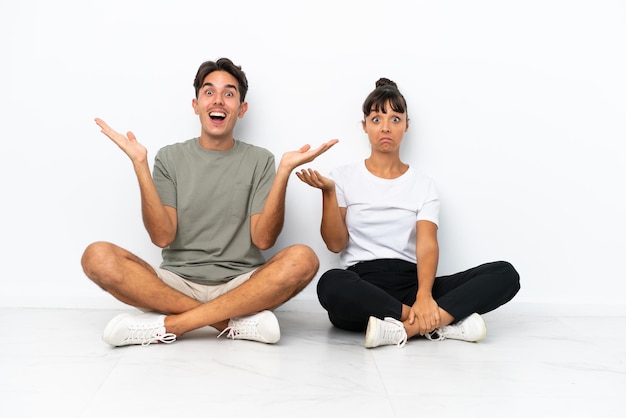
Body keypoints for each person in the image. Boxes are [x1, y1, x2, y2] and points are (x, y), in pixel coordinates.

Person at [81, 57, 337, 347]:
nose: (218, 101)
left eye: (229, 94)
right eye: (209, 92)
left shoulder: (260, 160)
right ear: (196, 105)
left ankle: (172, 324)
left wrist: (283, 173)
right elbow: (162, 236)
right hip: (177, 283)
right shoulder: (170, 157)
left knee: (304, 259)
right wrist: (140, 164)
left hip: (242, 285)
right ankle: (229, 323)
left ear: (241, 109)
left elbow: (264, 240)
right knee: (96, 256)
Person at [296, 78, 520, 348]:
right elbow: (335, 244)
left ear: (406, 125)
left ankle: (405, 329)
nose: (386, 127)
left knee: (504, 274)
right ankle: (433, 323)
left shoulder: (423, 185)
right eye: (377, 119)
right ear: (364, 126)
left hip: (412, 283)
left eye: (395, 118)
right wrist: (329, 193)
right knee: (330, 284)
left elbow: (427, 245)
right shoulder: (342, 177)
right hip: (364, 285)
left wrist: (424, 295)